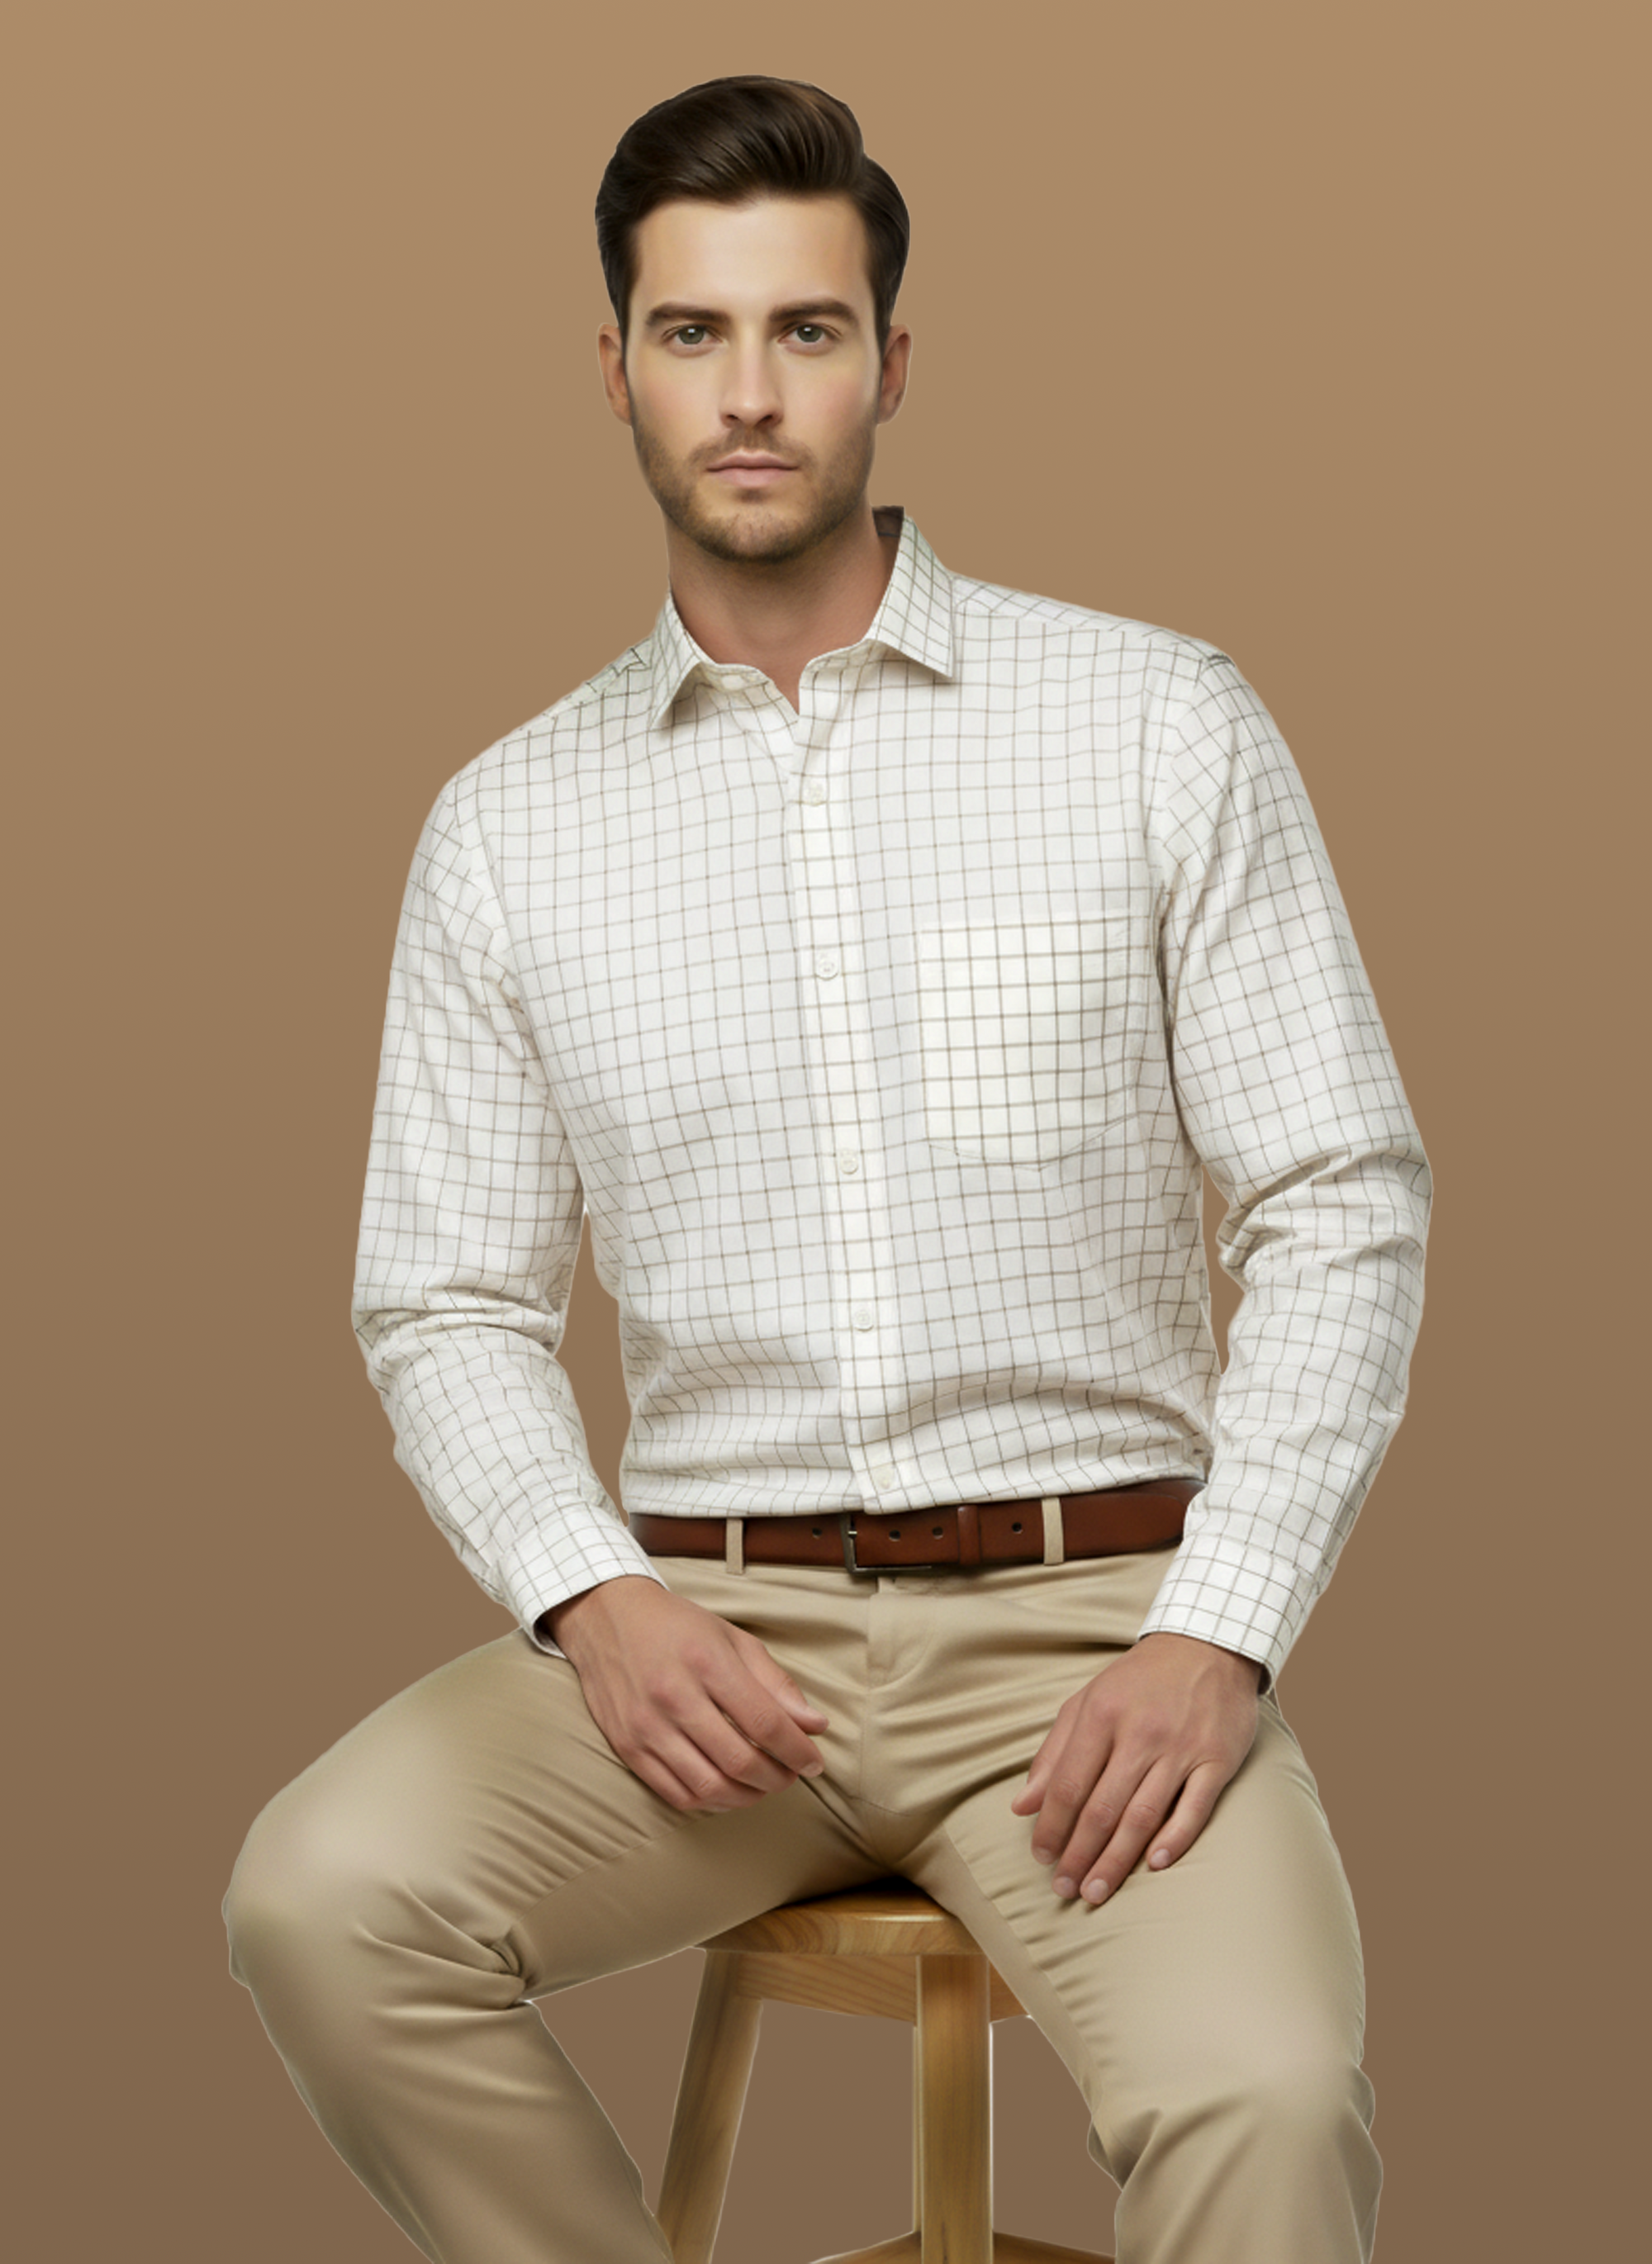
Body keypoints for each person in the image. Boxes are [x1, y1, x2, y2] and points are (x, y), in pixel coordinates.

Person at [223, 74, 1429, 2264]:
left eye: (808, 329)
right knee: (321, 1899)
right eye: (693, 332)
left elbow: (1339, 1198)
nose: (753, 393)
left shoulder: (1155, 721)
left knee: (1261, 2096)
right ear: (614, 369)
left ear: (893, 359)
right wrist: (590, 1597)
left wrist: (1220, 1631)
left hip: (1096, 1629)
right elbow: (447, 1298)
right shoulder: (509, 826)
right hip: (709, 1642)